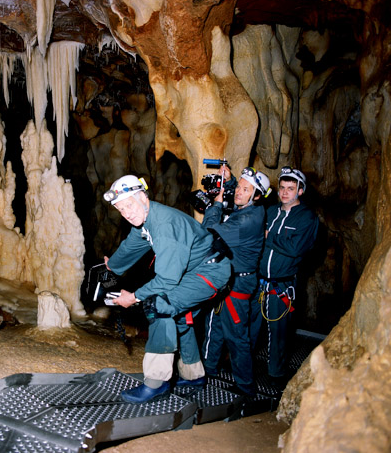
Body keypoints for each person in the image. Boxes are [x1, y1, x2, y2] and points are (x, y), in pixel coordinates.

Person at [103, 175, 232, 404]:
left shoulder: (164, 225)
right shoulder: (147, 219)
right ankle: (194, 376)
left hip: (210, 272)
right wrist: (112, 264)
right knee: (180, 318)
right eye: (121, 210)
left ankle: (157, 383)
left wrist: (133, 297)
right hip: (196, 270)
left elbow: (166, 282)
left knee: (159, 305)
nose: (127, 213)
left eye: (129, 205)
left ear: (143, 197)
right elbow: (133, 244)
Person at [201, 166, 269, 397]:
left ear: (257, 196)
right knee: (217, 328)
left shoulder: (247, 220)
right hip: (231, 279)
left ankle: (245, 386)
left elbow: (208, 232)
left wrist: (217, 204)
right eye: (238, 187)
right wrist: (229, 183)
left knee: (236, 336)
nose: (238, 192)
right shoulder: (251, 209)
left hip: (238, 284)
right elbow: (240, 198)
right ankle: (208, 369)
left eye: (245, 189)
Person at [249, 167, 319, 389]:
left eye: (291, 189)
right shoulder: (270, 212)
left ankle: (275, 376)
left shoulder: (306, 218)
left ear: (300, 191)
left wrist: (268, 237)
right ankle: (244, 372)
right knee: (250, 329)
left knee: (277, 334)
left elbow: (296, 248)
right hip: (259, 282)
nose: (285, 192)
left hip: (282, 285)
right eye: (282, 188)